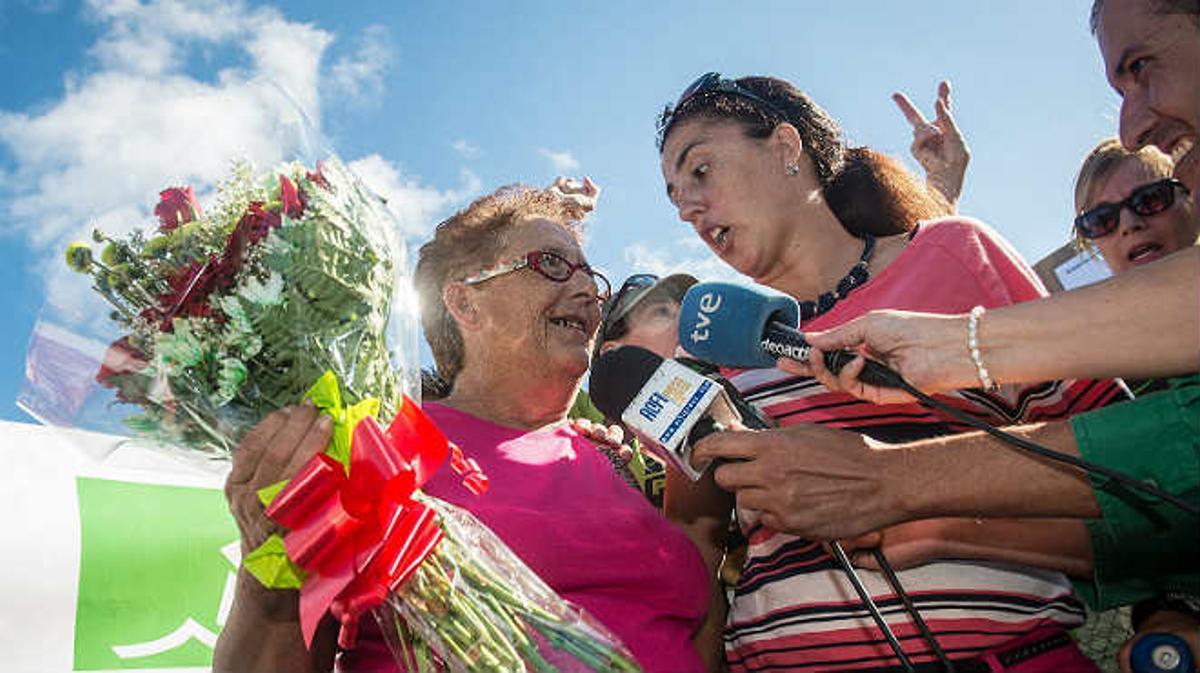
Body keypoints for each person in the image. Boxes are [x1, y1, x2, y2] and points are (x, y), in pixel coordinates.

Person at [657, 72, 1128, 672]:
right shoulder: (705, 343)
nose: (688, 209)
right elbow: (694, 542)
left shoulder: (956, 254)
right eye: (675, 196)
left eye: (700, 172)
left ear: (785, 147)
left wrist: (921, 512)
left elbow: (1129, 467)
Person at [214, 185, 714, 672]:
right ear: (465, 303)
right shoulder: (375, 445)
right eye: (552, 265)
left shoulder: (618, 460)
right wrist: (269, 575)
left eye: (591, 278)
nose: (588, 294)